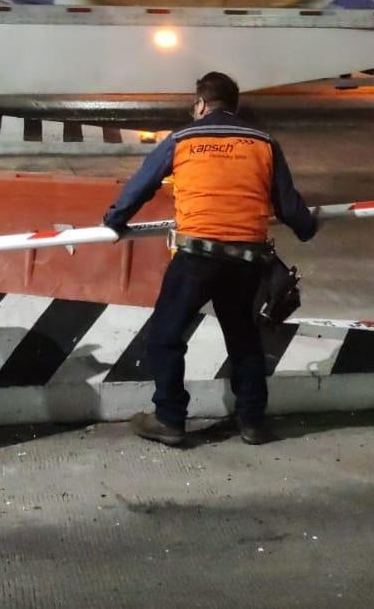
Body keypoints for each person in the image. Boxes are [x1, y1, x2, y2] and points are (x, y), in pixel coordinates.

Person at [102, 72, 319, 447]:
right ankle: (251, 423)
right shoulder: (264, 142)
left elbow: (142, 184)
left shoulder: (183, 138)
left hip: (197, 257)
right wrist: (309, 226)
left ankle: (170, 418)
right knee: (244, 340)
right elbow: (291, 210)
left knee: (166, 336)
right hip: (246, 261)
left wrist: (114, 220)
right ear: (234, 106)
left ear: (201, 104)